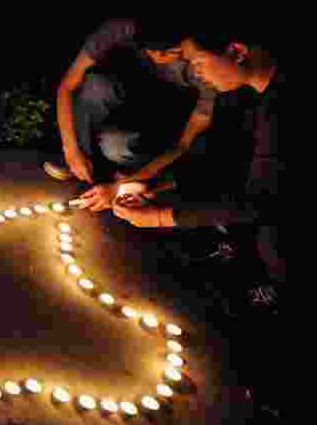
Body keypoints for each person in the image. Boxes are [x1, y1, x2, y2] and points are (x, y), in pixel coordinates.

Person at [73, 23, 281, 298]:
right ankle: (236, 243)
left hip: (276, 210)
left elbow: (258, 202)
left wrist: (160, 217)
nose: (194, 72)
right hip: (252, 191)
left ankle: (276, 284)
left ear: (237, 51)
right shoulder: (244, 96)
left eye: (197, 61)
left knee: (274, 245)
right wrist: (146, 188)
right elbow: (222, 159)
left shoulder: (281, 111)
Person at [44, 16, 218, 188]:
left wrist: (123, 185)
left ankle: (136, 174)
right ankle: (82, 163)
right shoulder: (120, 28)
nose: (159, 57)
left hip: (166, 116)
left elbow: (184, 144)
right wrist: (71, 151)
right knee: (95, 85)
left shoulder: (203, 66)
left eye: (172, 52)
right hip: (125, 94)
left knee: (114, 146)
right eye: (151, 51)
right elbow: (67, 85)